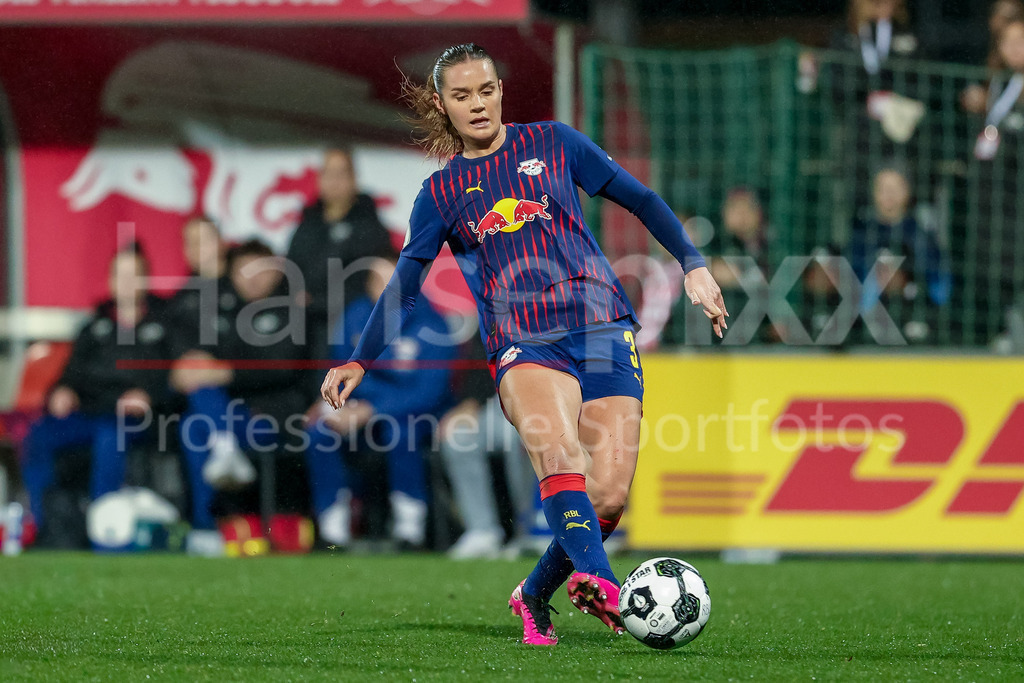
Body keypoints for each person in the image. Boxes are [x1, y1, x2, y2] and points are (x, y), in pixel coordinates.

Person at [320, 44, 726, 645]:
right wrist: (361, 357)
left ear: (500, 90)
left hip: (599, 325)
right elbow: (406, 285)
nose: (477, 104)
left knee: (609, 495)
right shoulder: (440, 194)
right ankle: (601, 582)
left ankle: (533, 594)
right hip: (522, 340)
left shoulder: (555, 142)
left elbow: (639, 199)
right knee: (558, 455)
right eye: (461, 96)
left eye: (486, 90)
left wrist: (692, 263)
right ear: (442, 104)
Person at [22, 243, 171, 540]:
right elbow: (69, 376)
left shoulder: (165, 325)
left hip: (141, 420)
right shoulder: (94, 328)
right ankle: (44, 525)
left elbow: (175, 378)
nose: (127, 283)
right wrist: (62, 392)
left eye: (134, 275)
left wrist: (149, 395)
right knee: (38, 435)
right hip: (90, 412)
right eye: (120, 275)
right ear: (110, 280)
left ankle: (104, 529)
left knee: (110, 435)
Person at [305, 256, 454, 550]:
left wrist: (372, 409)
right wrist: (340, 405)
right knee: (318, 431)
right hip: (357, 408)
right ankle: (333, 528)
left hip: (415, 415)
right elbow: (340, 368)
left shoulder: (432, 321)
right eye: (378, 282)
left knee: (402, 431)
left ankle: (409, 527)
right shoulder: (356, 316)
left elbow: (430, 392)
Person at [171, 240, 311, 532]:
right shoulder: (225, 314)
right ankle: (207, 526)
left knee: (197, 425)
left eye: (259, 269)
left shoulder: (293, 311)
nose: (252, 277)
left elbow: (282, 368)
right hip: (231, 413)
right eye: (243, 270)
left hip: (276, 415)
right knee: (191, 423)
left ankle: (206, 526)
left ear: (276, 271)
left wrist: (225, 373)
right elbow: (204, 361)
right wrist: (188, 368)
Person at [285, 147, 394, 366]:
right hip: (306, 326)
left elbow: (373, 286)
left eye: (340, 173)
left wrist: (315, 301)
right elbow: (291, 270)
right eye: (327, 173)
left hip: (352, 326)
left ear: (354, 179)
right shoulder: (306, 225)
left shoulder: (372, 229)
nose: (333, 181)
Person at [439, 331, 540, 560]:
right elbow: (479, 360)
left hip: (544, 402)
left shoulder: (556, 309)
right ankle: (482, 530)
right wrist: (471, 402)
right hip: (496, 402)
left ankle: (530, 532)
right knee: (459, 436)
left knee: (522, 438)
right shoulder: (494, 309)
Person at [848, 167, 950, 343]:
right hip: (865, 330)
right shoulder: (861, 235)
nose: (889, 195)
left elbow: (939, 289)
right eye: (883, 188)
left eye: (895, 188)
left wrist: (905, 276)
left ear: (907, 191)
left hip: (916, 326)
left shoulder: (921, 236)